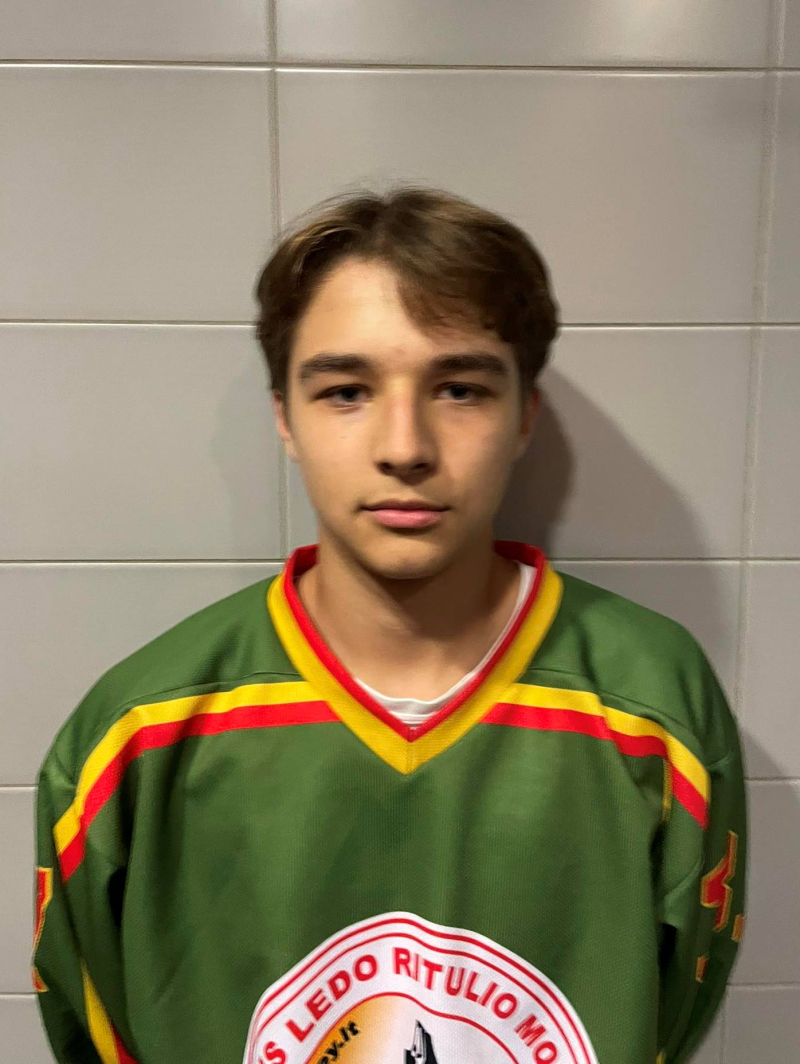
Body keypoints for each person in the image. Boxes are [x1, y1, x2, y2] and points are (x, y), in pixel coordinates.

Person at [32, 186, 747, 1064]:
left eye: (459, 389)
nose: (404, 447)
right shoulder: (136, 734)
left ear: (523, 416)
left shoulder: (655, 705)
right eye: (346, 391)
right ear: (284, 418)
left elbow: (668, 1016)